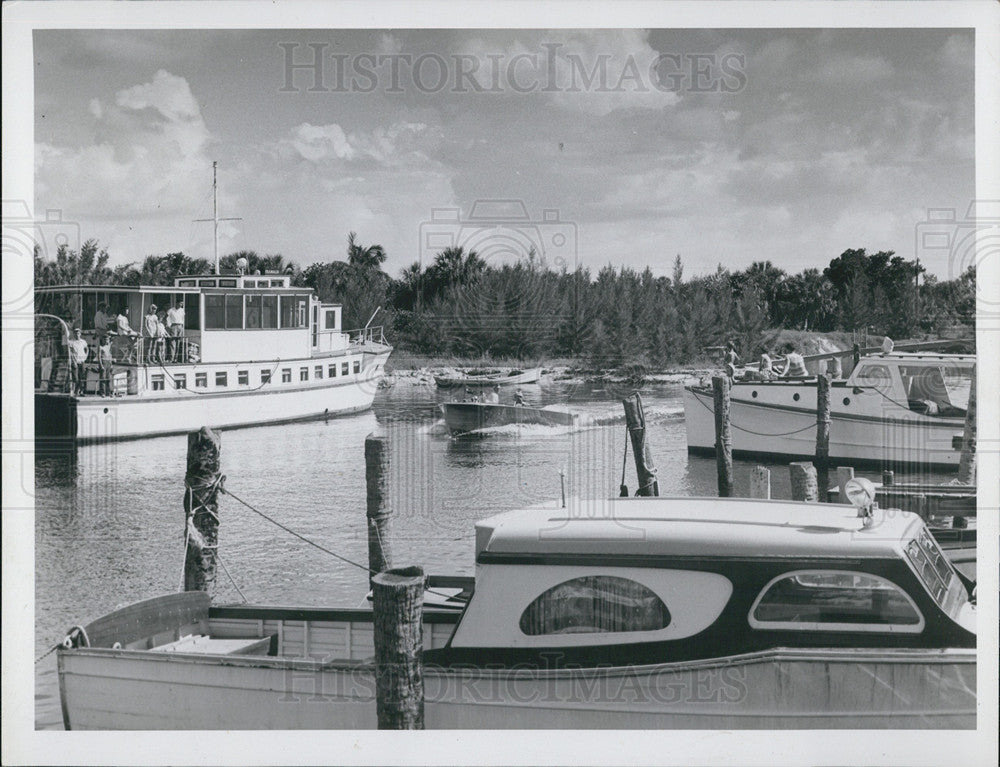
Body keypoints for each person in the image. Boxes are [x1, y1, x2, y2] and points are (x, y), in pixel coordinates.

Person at [66, 326, 89, 396]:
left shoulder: (83, 341)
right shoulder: (71, 342)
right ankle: (74, 391)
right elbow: (70, 353)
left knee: (82, 377)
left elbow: (87, 349)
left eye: (78, 333)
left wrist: (86, 356)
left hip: (82, 361)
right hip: (75, 361)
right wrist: (73, 361)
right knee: (75, 378)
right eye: (75, 333)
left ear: (80, 334)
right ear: (73, 334)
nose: (77, 334)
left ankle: (80, 391)